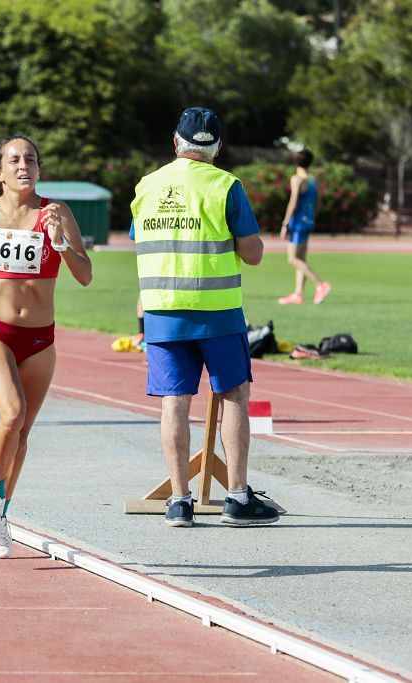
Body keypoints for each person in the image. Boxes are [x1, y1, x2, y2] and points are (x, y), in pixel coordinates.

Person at [131, 106, 279, 528]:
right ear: (217, 147)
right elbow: (252, 255)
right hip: (216, 311)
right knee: (233, 396)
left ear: (175, 141)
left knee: (174, 403)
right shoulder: (226, 185)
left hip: (162, 310)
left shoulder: (147, 185)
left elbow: (142, 237)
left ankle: (179, 500)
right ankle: (236, 496)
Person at [0, 136, 93, 558]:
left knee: (22, 432)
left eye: (31, 159)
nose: (24, 165)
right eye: (15, 159)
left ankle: (3, 513)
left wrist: (60, 243)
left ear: (39, 169)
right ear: (2, 170)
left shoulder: (57, 212)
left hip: (40, 339)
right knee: (11, 412)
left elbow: (84, 275)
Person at [278, 149, 330, 305]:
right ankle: (298, 294)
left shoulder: (297, 179)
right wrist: (312, 217)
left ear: (296, 161)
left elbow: (293, 202)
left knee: (293, 259)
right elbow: (319, 203)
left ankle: (321, 285)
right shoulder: (315, 180)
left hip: (298, 223)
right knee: (301, 259)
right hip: (309, 221)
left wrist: (285, 223)